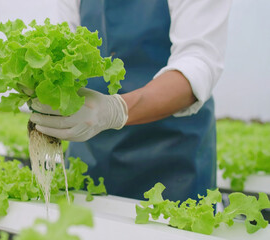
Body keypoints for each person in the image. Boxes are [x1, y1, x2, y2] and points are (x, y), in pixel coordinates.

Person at [30, 0, 232, 201]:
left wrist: (115, 110)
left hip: (172, 157)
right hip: (91, 150)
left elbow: (198, 62)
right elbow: (64, 43)